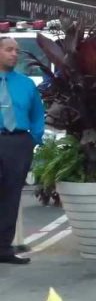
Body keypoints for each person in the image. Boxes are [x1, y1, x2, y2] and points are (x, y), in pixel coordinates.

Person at [0, 36, 44, 265]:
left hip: (18, 143)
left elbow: (37, 114)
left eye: (16, 50)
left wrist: (32, 140)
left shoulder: (26, 84)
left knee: (11, 196)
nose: (14, 54)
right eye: (9, 50)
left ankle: (4, 249)